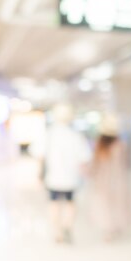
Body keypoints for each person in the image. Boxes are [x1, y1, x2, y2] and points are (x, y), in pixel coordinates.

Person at [37, 104, 91, 244]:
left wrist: (39, 173)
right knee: (70, 202)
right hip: (71, 177)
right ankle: (68, 225)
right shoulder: (76, 135)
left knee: (54, 203)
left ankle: (57, 232)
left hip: (53, 177)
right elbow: (84, 158)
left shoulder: (48, 134)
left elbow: (40, 155)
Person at [88, 114, 131, 242]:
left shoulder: (99, 145)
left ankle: (108, 229)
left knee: (105, 204)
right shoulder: (121, 145)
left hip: (103, 180)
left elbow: (95, 163)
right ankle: (115, 226)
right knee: (117, 204)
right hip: (118, 180)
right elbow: (125, 164)